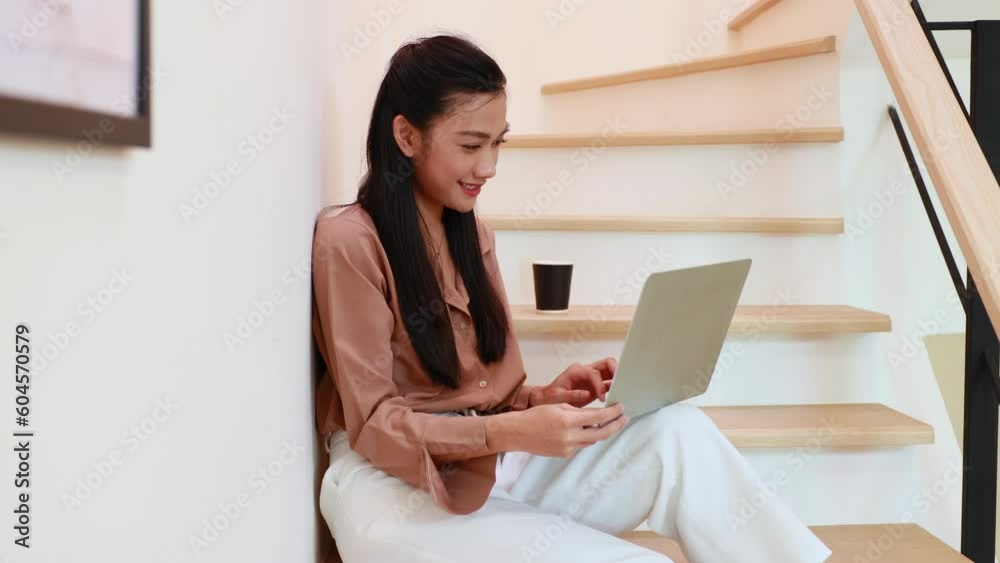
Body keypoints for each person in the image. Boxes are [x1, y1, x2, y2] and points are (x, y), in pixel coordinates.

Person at [311, 33, 832, 563]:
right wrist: (510, 430)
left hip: (489, 466)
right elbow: (373, 425)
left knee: (679, 431)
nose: (489, 167)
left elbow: (487, 398)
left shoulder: (473, 236)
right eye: (471, 145)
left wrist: (540, 400)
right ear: (406, 136)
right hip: (394, 488)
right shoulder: (351, 241)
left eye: (498, 143)